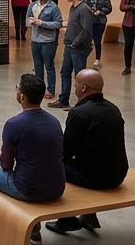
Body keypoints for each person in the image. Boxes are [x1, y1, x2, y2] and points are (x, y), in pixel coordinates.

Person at [0, 73, 65, 245]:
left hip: (27, 188)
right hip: (57, 187)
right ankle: (34, 231)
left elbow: (6, 165)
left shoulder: (14, 124)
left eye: (17, 88)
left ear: (22, 96)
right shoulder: (54, 121)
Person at [45, 69, 128, 235]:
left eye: (75, 83)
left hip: (94, 178)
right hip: (118, 174)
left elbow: (66, 152)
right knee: (91, 162)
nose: (74, 86)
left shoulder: (79, 113)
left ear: (83, 88)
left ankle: (66, 219)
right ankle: (89, 216)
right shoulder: (113, 108)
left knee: (53, 165)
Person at [50, 0, 92, 109]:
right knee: (65, 72)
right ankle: (63, 99)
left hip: (79, 47)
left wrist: (75, 42)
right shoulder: (73, 8)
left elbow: (87, 30)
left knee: (80, 76)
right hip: (70, 45)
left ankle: (82, 103)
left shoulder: (84, 9)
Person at [27, 0, 63, 100]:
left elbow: (58, 23)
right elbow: (27, 21)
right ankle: (38, 90)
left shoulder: (53, 7)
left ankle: (50, 89)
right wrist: (31, 22)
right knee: (37, 67)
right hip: (35, 40)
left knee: (49, 66)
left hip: (48, 41)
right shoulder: (32, 5)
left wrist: (42, 23)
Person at [86, 0, 113, 68]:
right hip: (88, 21)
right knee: (86, 40)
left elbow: (109, 8)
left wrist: (100, 12)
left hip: (99, 21)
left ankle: (97, 60)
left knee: (97, 40)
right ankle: (83, 57)